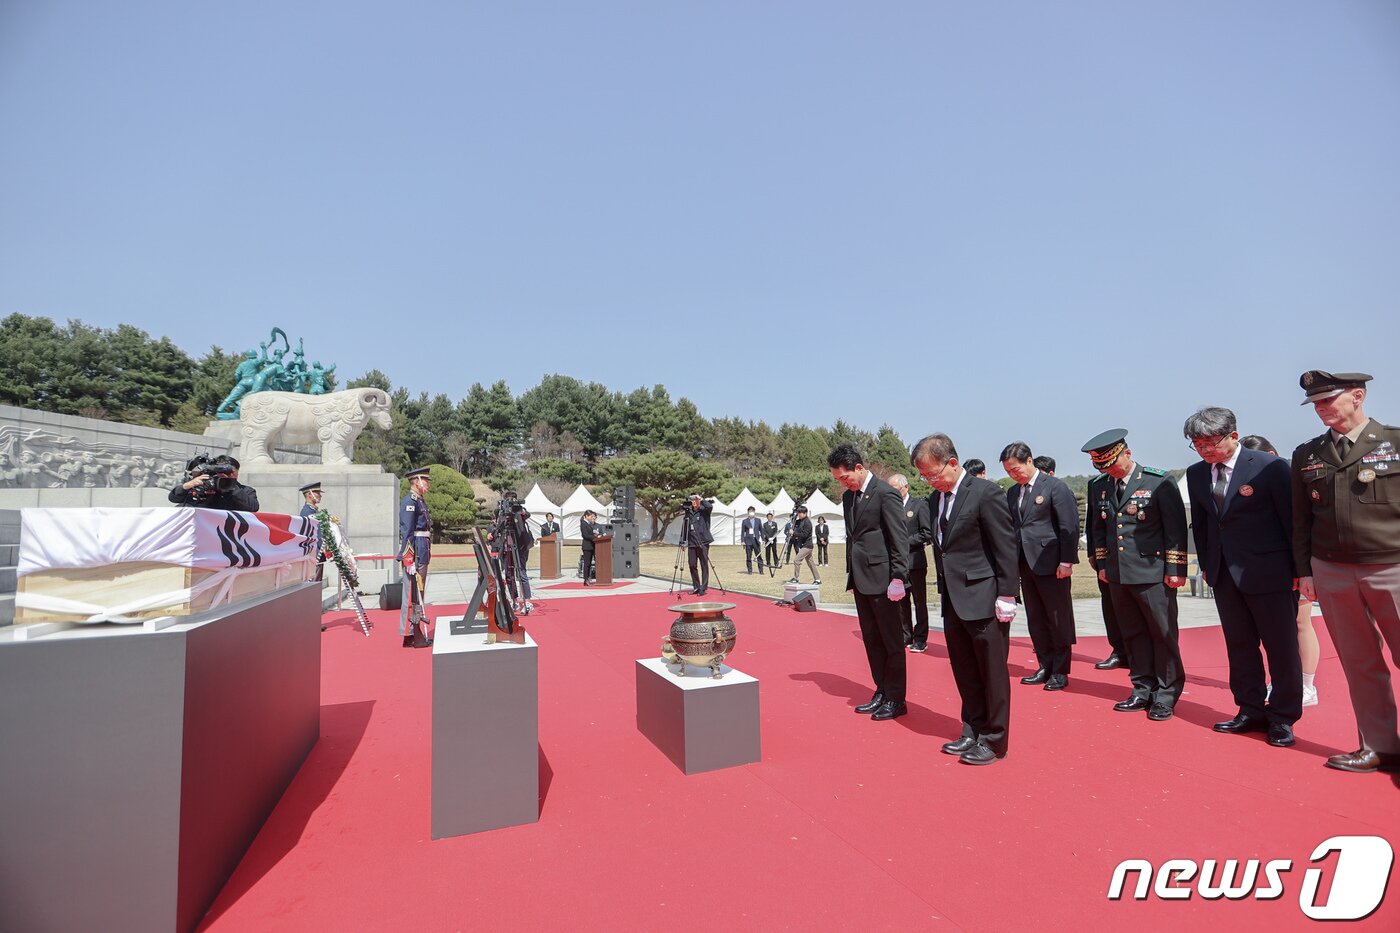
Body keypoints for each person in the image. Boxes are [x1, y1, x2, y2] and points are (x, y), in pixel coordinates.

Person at [1291, 370, 1400, 773]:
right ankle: (1380, 745)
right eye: (1315, 404)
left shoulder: (1395, 441)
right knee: (1359, 661)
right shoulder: (1308, 454)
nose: (1320, 410)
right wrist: (1306, 571)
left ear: (1357, 396)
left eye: (1327, 401)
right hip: (1332, 571)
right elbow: (1301, 520)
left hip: (1392, 567)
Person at [1184, 408, 1301, 748]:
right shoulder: (1196, 474)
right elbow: (1204, 525)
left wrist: (1298, 570)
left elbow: (1291, 522)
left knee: (1281, 647)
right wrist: (1208, 564)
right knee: (1240, 645)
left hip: (1270, 572)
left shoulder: (1270, 467)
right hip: (1223, 574)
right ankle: (1250, 708)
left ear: (1233, 435)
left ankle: (1282, 716)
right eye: (1197, 444)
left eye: (1210, 442)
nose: (1204, 450)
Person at [913, 434, 1018, 764]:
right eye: (924, 476)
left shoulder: (986, 494)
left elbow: (1005, 546)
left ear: (952, 463)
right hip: (953, 599)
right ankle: (971, 729)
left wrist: (1007, 594)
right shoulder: (935, 499)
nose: (930, 481)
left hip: (985, 598)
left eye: (933, 474)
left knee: (992, 673)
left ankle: (995, 739)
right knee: (965, 670)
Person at [1082, 428, 1188, 721]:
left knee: (1162, 635)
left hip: (1153, 574)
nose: (1109, 471)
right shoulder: (1099, 485)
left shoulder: (1158, 481)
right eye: (1103, 466)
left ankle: (1166, 695)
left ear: (1127, 453)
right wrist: (1102, 565)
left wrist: (1176, 569)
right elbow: (1098, 530)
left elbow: (1175, 530)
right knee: (1133, 635)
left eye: (1112, 464)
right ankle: (1142, 688)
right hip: (1118, 575)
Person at [830, 443, 910, 722]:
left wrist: (899, 577)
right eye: (838, 479)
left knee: (891, 641)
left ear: (859, 468)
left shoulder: (886, 493)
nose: (842, 483)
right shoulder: (850, 498)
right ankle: (882, 690)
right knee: (872, 639)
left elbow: (898, 538)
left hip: (885, 580)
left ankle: (897, 698)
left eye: (844, 477)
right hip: (861, 579)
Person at [1242, 434, 1320, 707]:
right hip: (1269, 567)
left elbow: (1300, 524)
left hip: (1296, 562)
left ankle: (1307, 684)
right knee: (1278, 629)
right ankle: (1286, 679)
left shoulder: (1289, 474)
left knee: (1301, 621)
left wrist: (1302, 566)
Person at [1001, 442, 1079, 690]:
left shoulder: (1055, 487)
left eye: (1016, 469)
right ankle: (1044, 664)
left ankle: (1060, 670)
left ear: (1029, 461)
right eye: (1009, 471)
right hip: (1025, 563)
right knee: (1036, 617)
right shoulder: (1013, 492)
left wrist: (1066, 560)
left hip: (1052, 562)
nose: (1014, 474)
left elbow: (1069, 526)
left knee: (1057, 618)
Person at [1086, 469, 1129, 672]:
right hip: (1108, 557)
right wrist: (1095, 554)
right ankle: (1119, 650)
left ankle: (1138, 653)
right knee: (1110, 604)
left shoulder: (1147, 480)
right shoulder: (1097, 483)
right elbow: (1093, 522)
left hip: (1137, 560)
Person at [888, 473, 933, 651]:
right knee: (901, 602)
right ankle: (905, 635)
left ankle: (921, 638)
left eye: (896, 490)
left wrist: (905, 542)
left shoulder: (919, 505)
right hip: (898, 564)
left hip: (915, 562)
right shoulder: (890, 507)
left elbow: (926, 533)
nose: (893, 493)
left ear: (905, 487)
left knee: (919, 602)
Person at [396, 467, 433, 648]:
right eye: (425, 480)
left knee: (418, 593)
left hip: (422, 549)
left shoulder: (420, 501)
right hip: (416, 551)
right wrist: (408, 557)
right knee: (412, 594)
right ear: (416, 481)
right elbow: (407, 531)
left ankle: (415, 630)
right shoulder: (410, 501)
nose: (427, 484)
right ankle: (410, 633)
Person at [167, 454, 260, 511]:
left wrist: (229, 485)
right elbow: (173, 498)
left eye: (228, 472)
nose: (222, 474)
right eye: (219, 471)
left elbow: (253, 507)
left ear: (236, 473)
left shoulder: (246, 490)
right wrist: (188, 485)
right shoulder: (205, 483)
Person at [681, 494, 715, 595]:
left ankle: (703, 588)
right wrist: (683, 542)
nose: (694, 502)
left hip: (703, 541)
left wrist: (701, 498)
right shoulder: (688, 512)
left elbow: (709, 506)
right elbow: (685, 527)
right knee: (692, 564)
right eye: (693, 500)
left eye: (696, 500)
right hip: (692, 542)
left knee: (704, 564)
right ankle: (696, 586)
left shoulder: (704, 510)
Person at [299, 481, 325, 582]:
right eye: (317, 492)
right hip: (315, 553)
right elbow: (315, 534)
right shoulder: (307, 512)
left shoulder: (314, 511)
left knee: (317, 583)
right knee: (314, 583)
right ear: (309, 494)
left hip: (318, 553)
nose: (320, 495)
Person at [787, 503, 819, 584]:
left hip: (807, 546)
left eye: (800, 513)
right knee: (810, 563)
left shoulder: (807, 522)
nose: (798, 515)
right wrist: (793, 513)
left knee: (796, 560)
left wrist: (794, 533)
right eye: (798, 513)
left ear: (804, 513)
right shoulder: (801, 521)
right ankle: (817, 579)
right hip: (804, 545)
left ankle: (796, 578)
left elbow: (804, 535)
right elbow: (794, 521)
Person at [740, 506, 765, 573]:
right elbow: (742, 531)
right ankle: (750, 570)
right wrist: (742, 541)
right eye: (750, 511)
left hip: (756, 540)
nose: (751, 512)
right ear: (748, 512)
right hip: (748, 540)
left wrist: (763, 539)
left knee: (759, 555)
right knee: (748, 556)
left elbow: (761, 530)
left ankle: (761, 570)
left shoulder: (758, 520)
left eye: (752, 511)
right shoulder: (745, 521)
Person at [580, 509, 599, 585]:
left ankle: (588, 578)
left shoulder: (588, 523)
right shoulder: (583, 523)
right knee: (587, 564)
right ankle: (585, 579)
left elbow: (589, 533)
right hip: (587, 546)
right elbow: (585, 535)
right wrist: (594, 537)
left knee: (590, 564)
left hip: (591, 546)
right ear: (586, 516)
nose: (592, 518)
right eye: (590, 516)